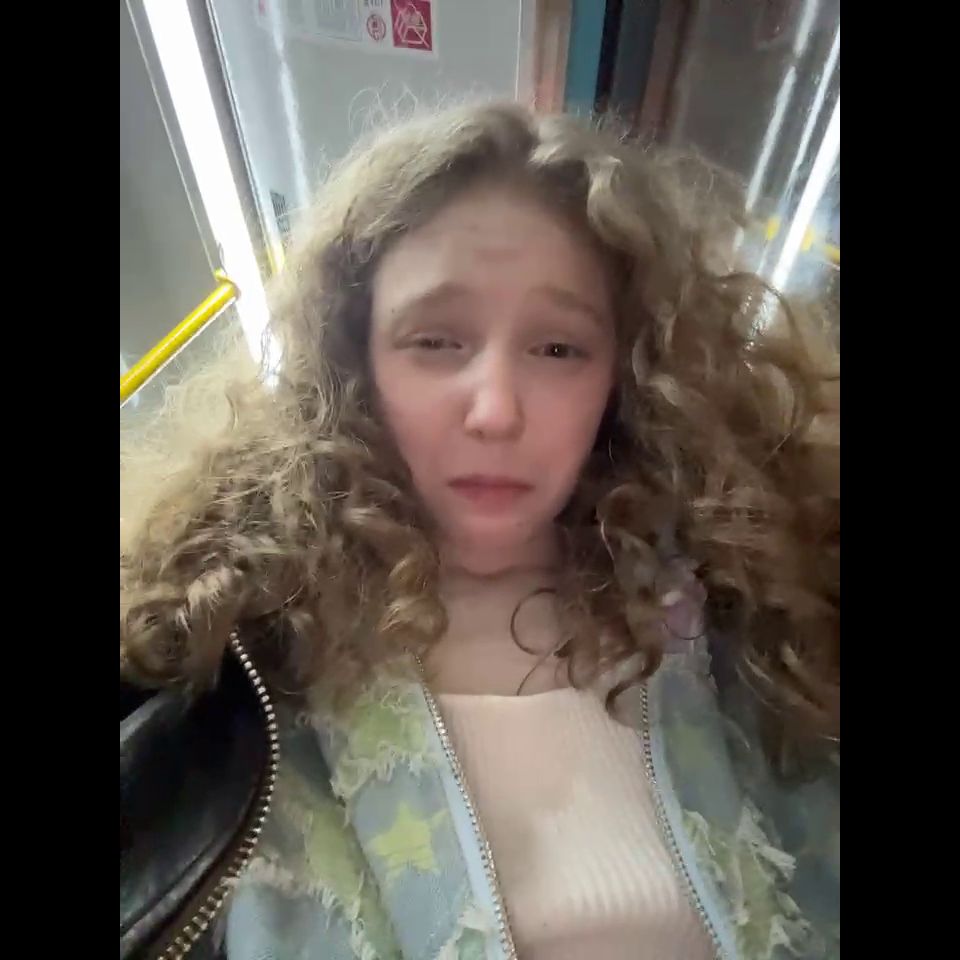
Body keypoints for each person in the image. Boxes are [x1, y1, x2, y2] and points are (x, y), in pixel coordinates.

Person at [120, 101, 839, 960]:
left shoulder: (753, 603)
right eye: (435, 341)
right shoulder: (223, 651)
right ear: (355, 364)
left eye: (559, 349)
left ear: (625, 377)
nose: (496, 411)